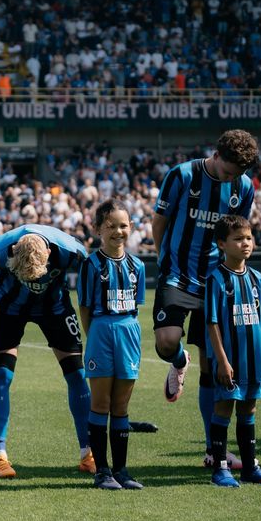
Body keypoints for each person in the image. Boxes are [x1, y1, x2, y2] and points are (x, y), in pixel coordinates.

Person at [152, 129, 258, 471]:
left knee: (212, 366)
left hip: (214, 280)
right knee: (166, 342)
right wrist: (163, 256)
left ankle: (215, 449)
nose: (232, 179)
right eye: (229, 172)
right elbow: (160, 221)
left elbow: (235, 230)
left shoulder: (243, 187)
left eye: (238, 174)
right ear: (217, 154)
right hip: (177, 275)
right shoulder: (183, 175)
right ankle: (178, 361)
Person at [0, 223, 93, 478]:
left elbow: (92, 276)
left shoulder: (70, 249)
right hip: (9, 309)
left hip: (55, 308)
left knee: (77, 375)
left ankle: (89, 452)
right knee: (2, 376)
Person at [204, 215, 261, 487]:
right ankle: (220, 469)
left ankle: (250, 468)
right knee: (223, 407)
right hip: (230, 361)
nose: (245, 243)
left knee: (249, 407)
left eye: (248, 238)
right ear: (222, 244)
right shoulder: (216, 279)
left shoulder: (257, 278)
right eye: (238, 239)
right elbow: (212, 323)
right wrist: (222, 361)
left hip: (253, 360)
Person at [79, 200, 146, 490]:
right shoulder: (91, 264)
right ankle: (101, 471)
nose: (118, 231)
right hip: (102, 331)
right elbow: (84, 306)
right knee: (101, 403)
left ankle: (121, 470)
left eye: (123, 225)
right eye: (111, 226)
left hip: (128, 331)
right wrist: (94, 336)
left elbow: (137, 305)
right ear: (98, 230)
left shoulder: (137, 265)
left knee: (121, 406)